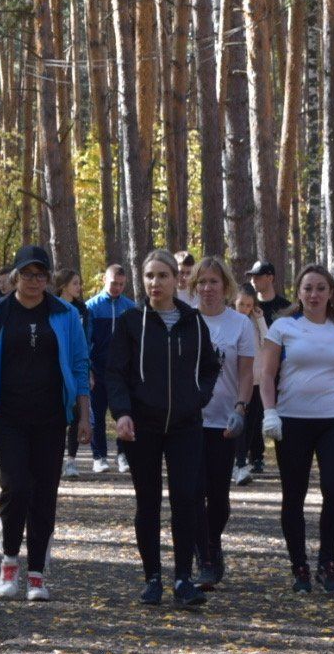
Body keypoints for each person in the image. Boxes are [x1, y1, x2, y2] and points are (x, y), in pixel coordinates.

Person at [0, 244, 91, 602]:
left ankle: (37, 573)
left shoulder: (65, 314)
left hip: (52, 418)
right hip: (8, 417)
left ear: (48, 279)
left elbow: (80, 368)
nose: (34, 281)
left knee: (44, 495)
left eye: (40, 275)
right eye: (27, 274)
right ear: (15, 276)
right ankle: (8, 562)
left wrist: (84, 416)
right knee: (16, 487)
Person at [103, 250, 220, 608]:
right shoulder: (130, 322)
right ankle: (152, 577)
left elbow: (210, 367)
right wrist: (122, 413)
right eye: (150, 276)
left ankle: (184, 578)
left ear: (177, 280)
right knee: (148, 502)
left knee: (187, 499)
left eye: (163, 276)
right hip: (143, 426)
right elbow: (115, 373)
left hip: (186, 426)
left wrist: (197, 397)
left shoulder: (194, 321)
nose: (155, 283)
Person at [255, 264, 334, 594]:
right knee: (294, 494)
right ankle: (299, 566)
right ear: (299, 293)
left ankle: (328, 565)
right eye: (307, 288)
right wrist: (270, 412)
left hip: (333, 421)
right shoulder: (283, 326)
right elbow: (267, 374)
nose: (314, 294)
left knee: (333, 490)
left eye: (320, 288)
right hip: (292, 421)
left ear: (331, 293)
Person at [191, 257, 256, 589]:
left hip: (224, 422)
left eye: (213, 282)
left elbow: (246, 373)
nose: (207, 288)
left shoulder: (240, 325)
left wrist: (241, 408)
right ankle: (204, 557)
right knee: (193, 490)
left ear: (225, 286)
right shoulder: (185, 320)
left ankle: (212, 542)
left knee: (217, 495)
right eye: (201, 282)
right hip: (188, 422)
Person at [238, 260, 290, 482]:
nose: (254, 280)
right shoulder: (244, 310)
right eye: (251, 276)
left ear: (270, 278)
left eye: (258, 276)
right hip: (249, 374)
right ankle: (249, 457)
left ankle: (278, 458)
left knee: (267, 413)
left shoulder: (284, 307)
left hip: (276, 369)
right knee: (248, 415)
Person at [84, 264, 135, 474]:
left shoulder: (130, 307)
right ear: (105, 280)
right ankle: (99, 456)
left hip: (122, 371)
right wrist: (88, 369)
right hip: (98, 368)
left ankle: (123, 454)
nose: (117, 288)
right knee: (97, 412)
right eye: (114, 283)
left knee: (124, 411)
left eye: (122, 284)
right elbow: (86, 340)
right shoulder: (92, 307)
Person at [52, 268, 92, 478]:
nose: (79, 287)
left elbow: (86, 343)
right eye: (75, 283)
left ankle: (71, 460)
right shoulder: (52, 309)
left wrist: (88, 371)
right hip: (58, 370)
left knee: (77, 414)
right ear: (63, 286)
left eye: (79, 283)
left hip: (77, 368)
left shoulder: (83, 311)